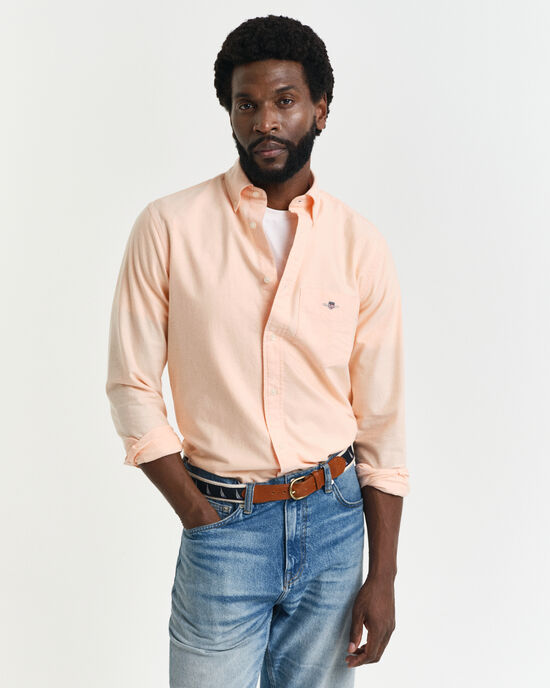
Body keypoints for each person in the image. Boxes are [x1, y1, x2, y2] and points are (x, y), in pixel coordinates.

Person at [106, 13, 411, 688]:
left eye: (284, 101)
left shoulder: (360, 245)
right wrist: (199, 515)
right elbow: (131, 386)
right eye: (246, 105)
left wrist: (383, 574)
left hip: (335, 524)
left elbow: (382, 420)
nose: (264, 121)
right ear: (229, 113)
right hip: (224, 525)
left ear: (320, 110)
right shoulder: (169, 227)